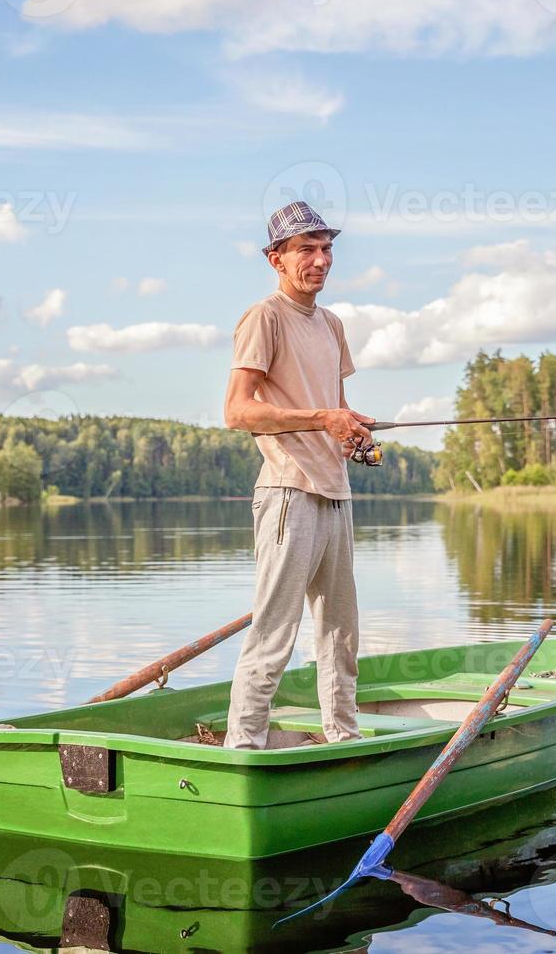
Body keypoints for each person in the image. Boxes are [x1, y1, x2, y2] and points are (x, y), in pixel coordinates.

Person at [221, 201, 375, 750]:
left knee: (340, 634)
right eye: (305, 249)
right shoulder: (264, 317)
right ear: (276, 259)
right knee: (274, 633)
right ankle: (243, 750)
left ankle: (343, 741)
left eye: (327, 248)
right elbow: (237, 411)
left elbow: (332, 404)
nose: (320, 259)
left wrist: (350, 427)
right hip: (288, 493)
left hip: (336, 492)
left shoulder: (332, 325)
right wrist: (321, 418)